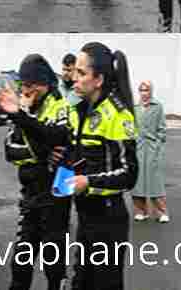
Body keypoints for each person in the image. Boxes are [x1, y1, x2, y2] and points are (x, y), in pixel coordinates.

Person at [60, 42, 138, 290]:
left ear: (99, 79)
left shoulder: (118, 115)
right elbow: (75, 155)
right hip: (85, 216)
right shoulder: (78, 108)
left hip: (109, 219)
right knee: (80, 282)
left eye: (82, 73)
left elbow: (129, 174)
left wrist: (88, 182)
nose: (74, 78)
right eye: (74, 71)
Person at [0, 54, 73, 290]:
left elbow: (57, 139)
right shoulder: (23, 108)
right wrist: (42, 152)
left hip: (57, 193)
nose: (26, 90)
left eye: (31, 85)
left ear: (45, 84)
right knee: (20, 264)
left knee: (53, 266)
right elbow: (11, 151)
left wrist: (23, 118)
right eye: (23, 85)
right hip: (30, 194)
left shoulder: (61, 106)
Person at [131, 80, 169, 223]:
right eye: (141, 90)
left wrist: (158, 143)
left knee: (155, 181)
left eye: (146, 90)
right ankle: (141, 211)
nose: (144, 93)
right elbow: (131, 127)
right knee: (138, 180)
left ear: (151, 91)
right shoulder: (134, 107)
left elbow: (162, 128)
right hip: (138, 147)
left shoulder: (157, 106)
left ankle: (161, 212)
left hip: (152, 147)